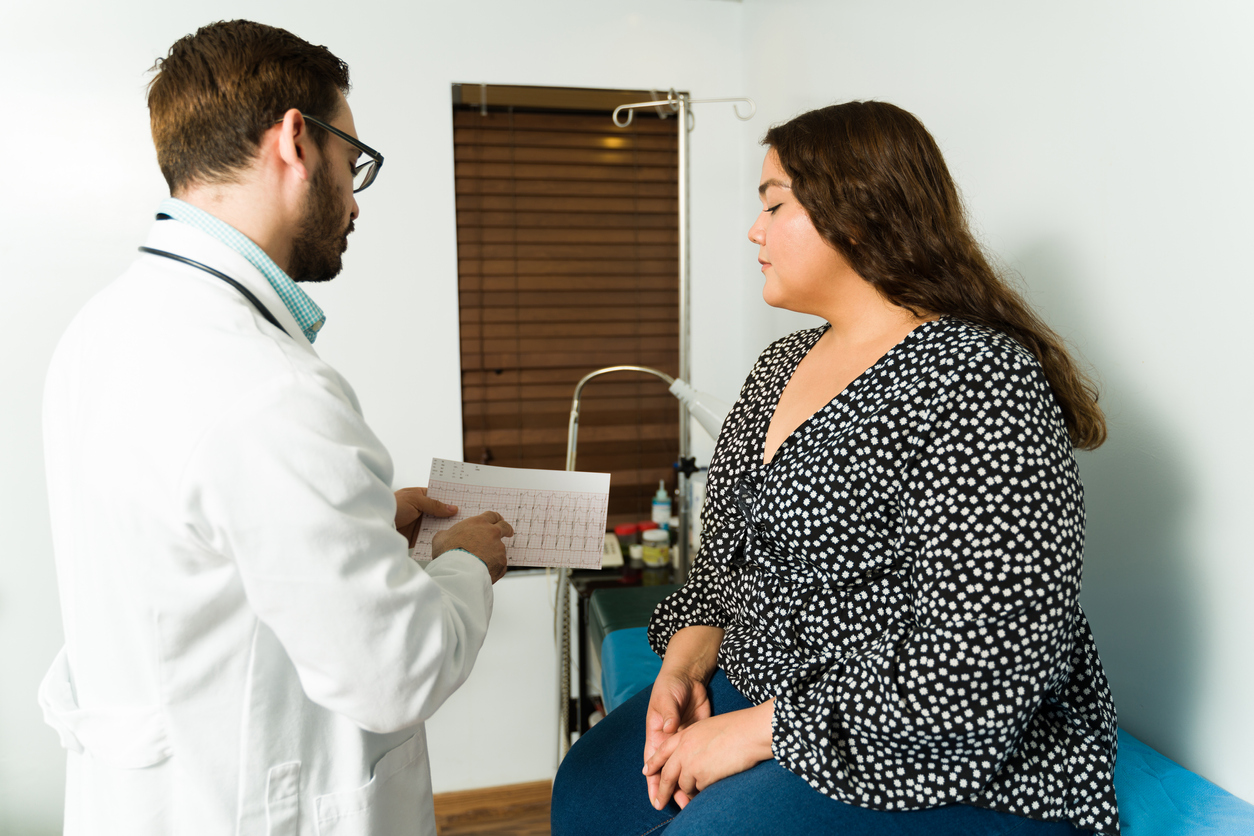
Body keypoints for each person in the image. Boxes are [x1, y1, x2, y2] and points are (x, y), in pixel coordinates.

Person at [552, 101, 1119, 836]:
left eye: (774, 205)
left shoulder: (977, 380)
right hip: (768, 687)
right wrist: (684, 668)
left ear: (857, 215)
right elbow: (725, 562)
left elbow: (984, 660)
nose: (754, 231)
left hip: (928, 738)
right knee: (588, 791)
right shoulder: (779, 367)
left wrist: (756, 733)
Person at [39, 20, 512, 835]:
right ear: (297, 140)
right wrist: (467, 565)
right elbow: (397, 671)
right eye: (352, 162)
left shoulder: (104, 326)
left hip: (147, 795)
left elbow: (196, 554)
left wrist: (360, 525)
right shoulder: (270, 389)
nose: (356, 198)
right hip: (253, 805)